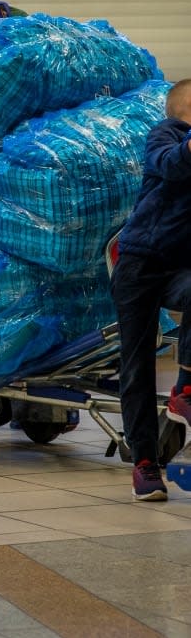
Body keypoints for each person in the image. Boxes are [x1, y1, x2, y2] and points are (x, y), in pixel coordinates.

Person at [112, 78, 191, 502]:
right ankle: (145, 463)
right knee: (137, 362)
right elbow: (173, 163)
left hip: (181, 269)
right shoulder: (165, 136)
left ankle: (186, 390)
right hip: (140, 266)